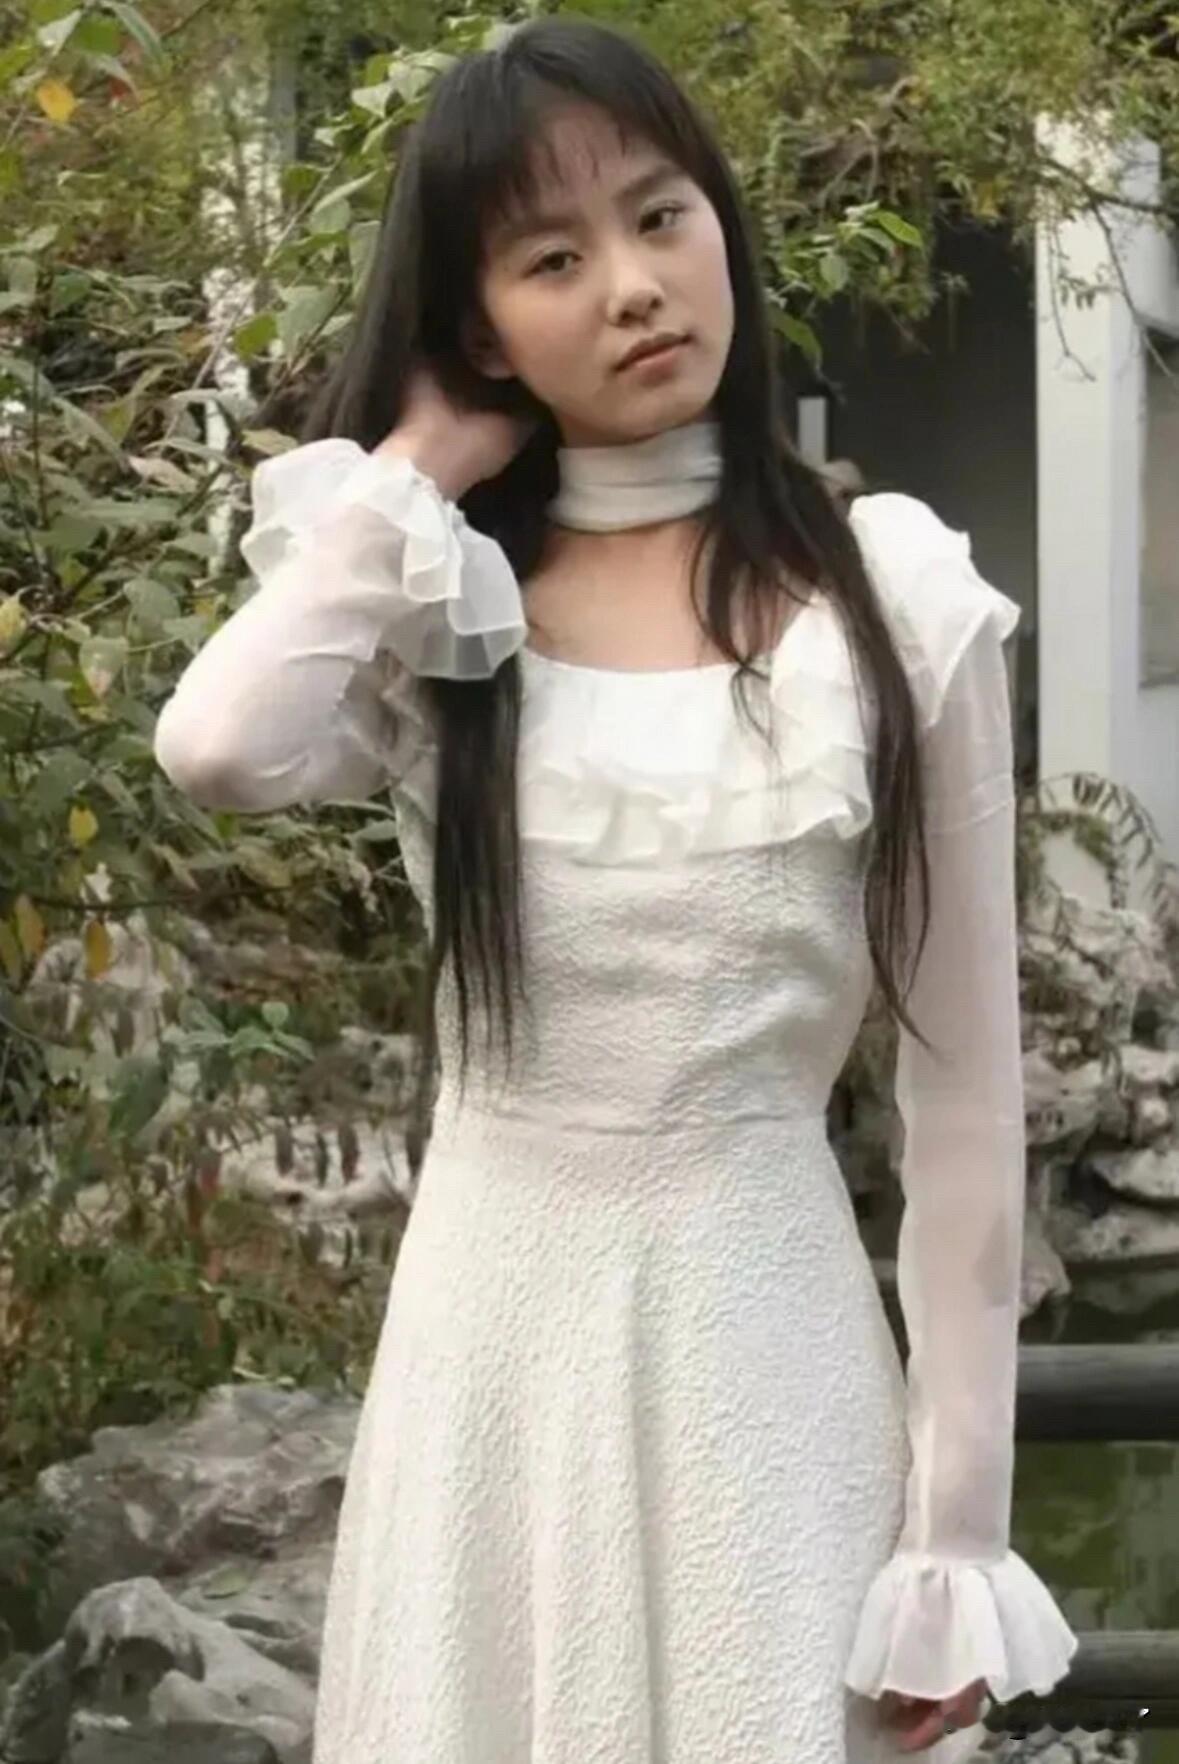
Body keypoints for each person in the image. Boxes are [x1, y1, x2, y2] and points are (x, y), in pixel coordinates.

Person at [153, 17, 1079, 1763]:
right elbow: (215, 746)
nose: (635, 286)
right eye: (552, 259)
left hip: (768, 1362)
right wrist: (419, 467)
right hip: (490, 1361)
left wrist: (955, 1537)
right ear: (478, 329)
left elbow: (964, 1099)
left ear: (722, 221)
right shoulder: (446, 610)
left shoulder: (891, 602)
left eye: (660, 217)